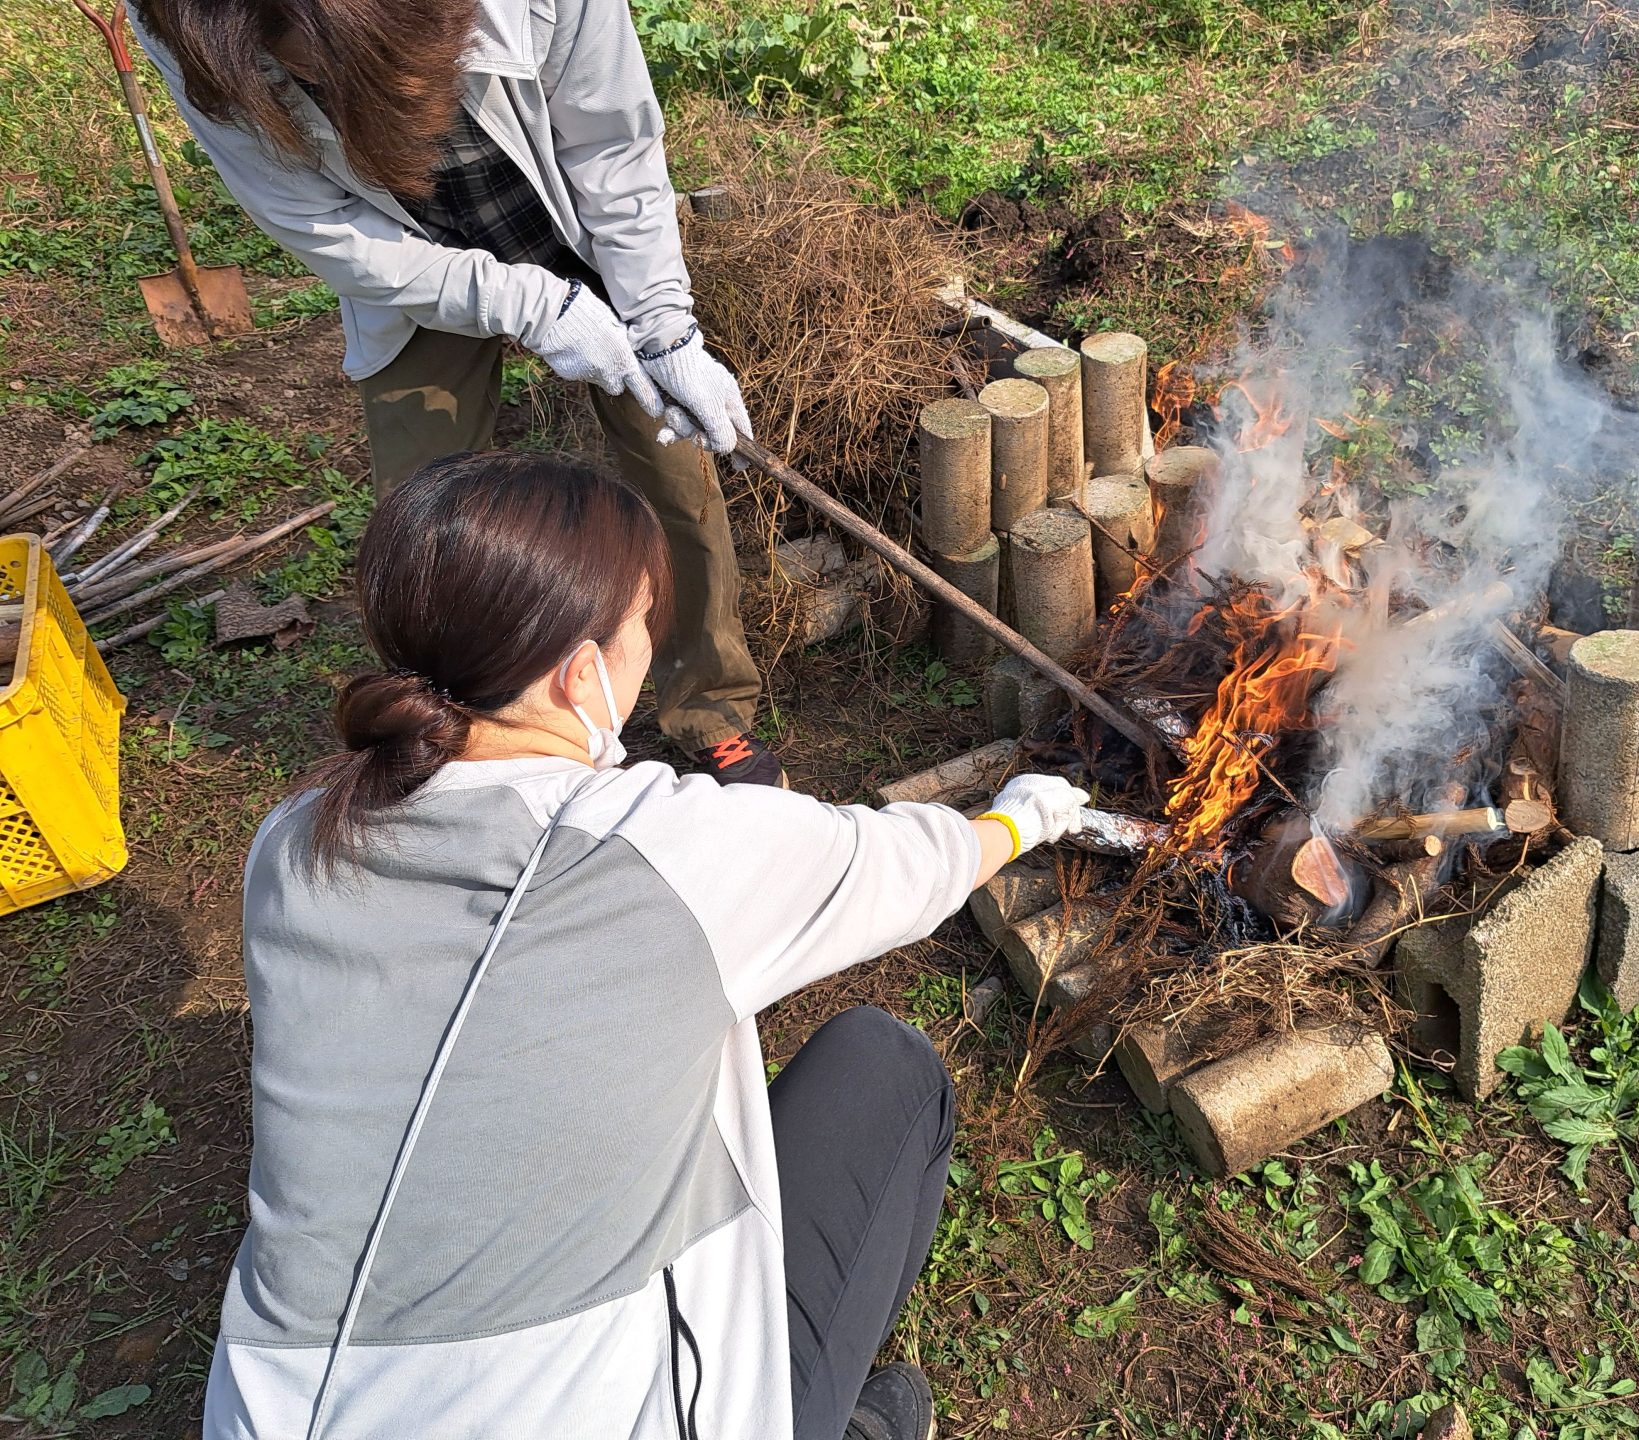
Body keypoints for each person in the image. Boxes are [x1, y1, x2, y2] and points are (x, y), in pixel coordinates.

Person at [210, 449, 1090, 1440]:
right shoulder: (660, 851)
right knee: (889, 1070)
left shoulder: (291, 842)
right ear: (579, 673)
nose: (649, 646)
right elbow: (906, 866)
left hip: (267, 1411)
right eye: (642, 624)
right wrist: (1019, 818)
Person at [129, 0, 784, 785]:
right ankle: (456, 734)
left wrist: (665, 329)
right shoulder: (193, 27)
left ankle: (709, 707)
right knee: (424, 517)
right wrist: (530, 306)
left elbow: (613, 146)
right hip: (406, 264)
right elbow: (326, 228)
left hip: (572, 223)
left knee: (675, 476)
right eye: (310, 73)